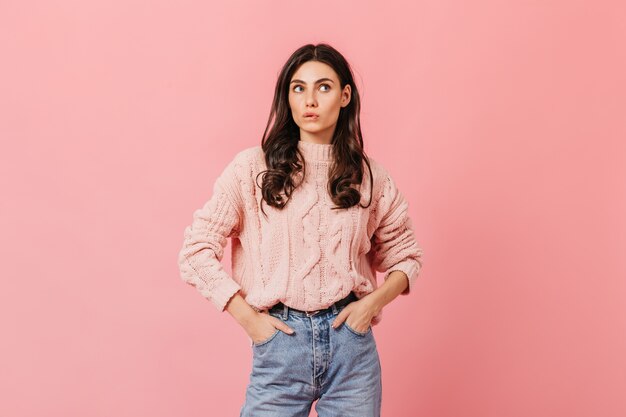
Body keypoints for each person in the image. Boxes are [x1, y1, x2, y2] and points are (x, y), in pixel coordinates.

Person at [177, 43, 424, 417]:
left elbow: (406, 256)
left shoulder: (371, 177)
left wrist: (371, 304)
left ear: (344, 96)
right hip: (281, 345)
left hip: (351, 349)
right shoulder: (252, 169)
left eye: (323, 87)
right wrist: (250, 321)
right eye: (298, 87)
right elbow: (195, 251)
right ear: (287, 96)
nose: (310, 99)